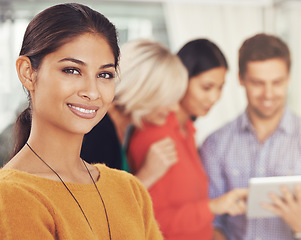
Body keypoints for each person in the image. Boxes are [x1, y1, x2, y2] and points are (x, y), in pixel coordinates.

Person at [0, 3, 162, 239]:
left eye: (104, 75)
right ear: (28, 72)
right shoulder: (12, 196)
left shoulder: (130, 189)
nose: (92, 92)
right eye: (72, 70)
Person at [199, 33, 301, 240]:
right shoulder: (216, 144)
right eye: (257, 83)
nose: (268, 93)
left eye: (277, 82)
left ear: (289, 78)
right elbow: (214, 222)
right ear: (241, 79)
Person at [127, 39, 248, 240]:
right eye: (207, 87)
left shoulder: (188, 131)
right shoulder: (155, 135)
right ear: (181, 80)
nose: (214, 98)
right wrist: (214, 206)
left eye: (220, 88)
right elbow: (154, 221)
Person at [81, 39, 187, 187]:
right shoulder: (97, 132)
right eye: (168, 99)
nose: (175, 108)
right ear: (144, 92)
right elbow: (99, 207)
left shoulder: (124, 127)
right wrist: (148, 174)